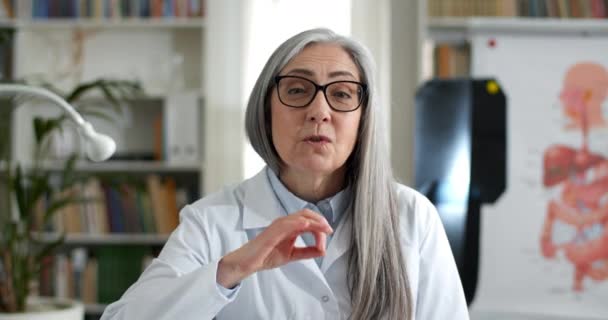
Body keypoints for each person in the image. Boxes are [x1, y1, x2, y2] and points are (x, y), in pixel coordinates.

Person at [100, 28, 469, 320]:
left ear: (363, 120)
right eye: (297, 90)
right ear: (266, 111)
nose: (319, 111)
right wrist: (231, 269)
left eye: (341, 94)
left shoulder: (413, 218)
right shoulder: (211, 222)